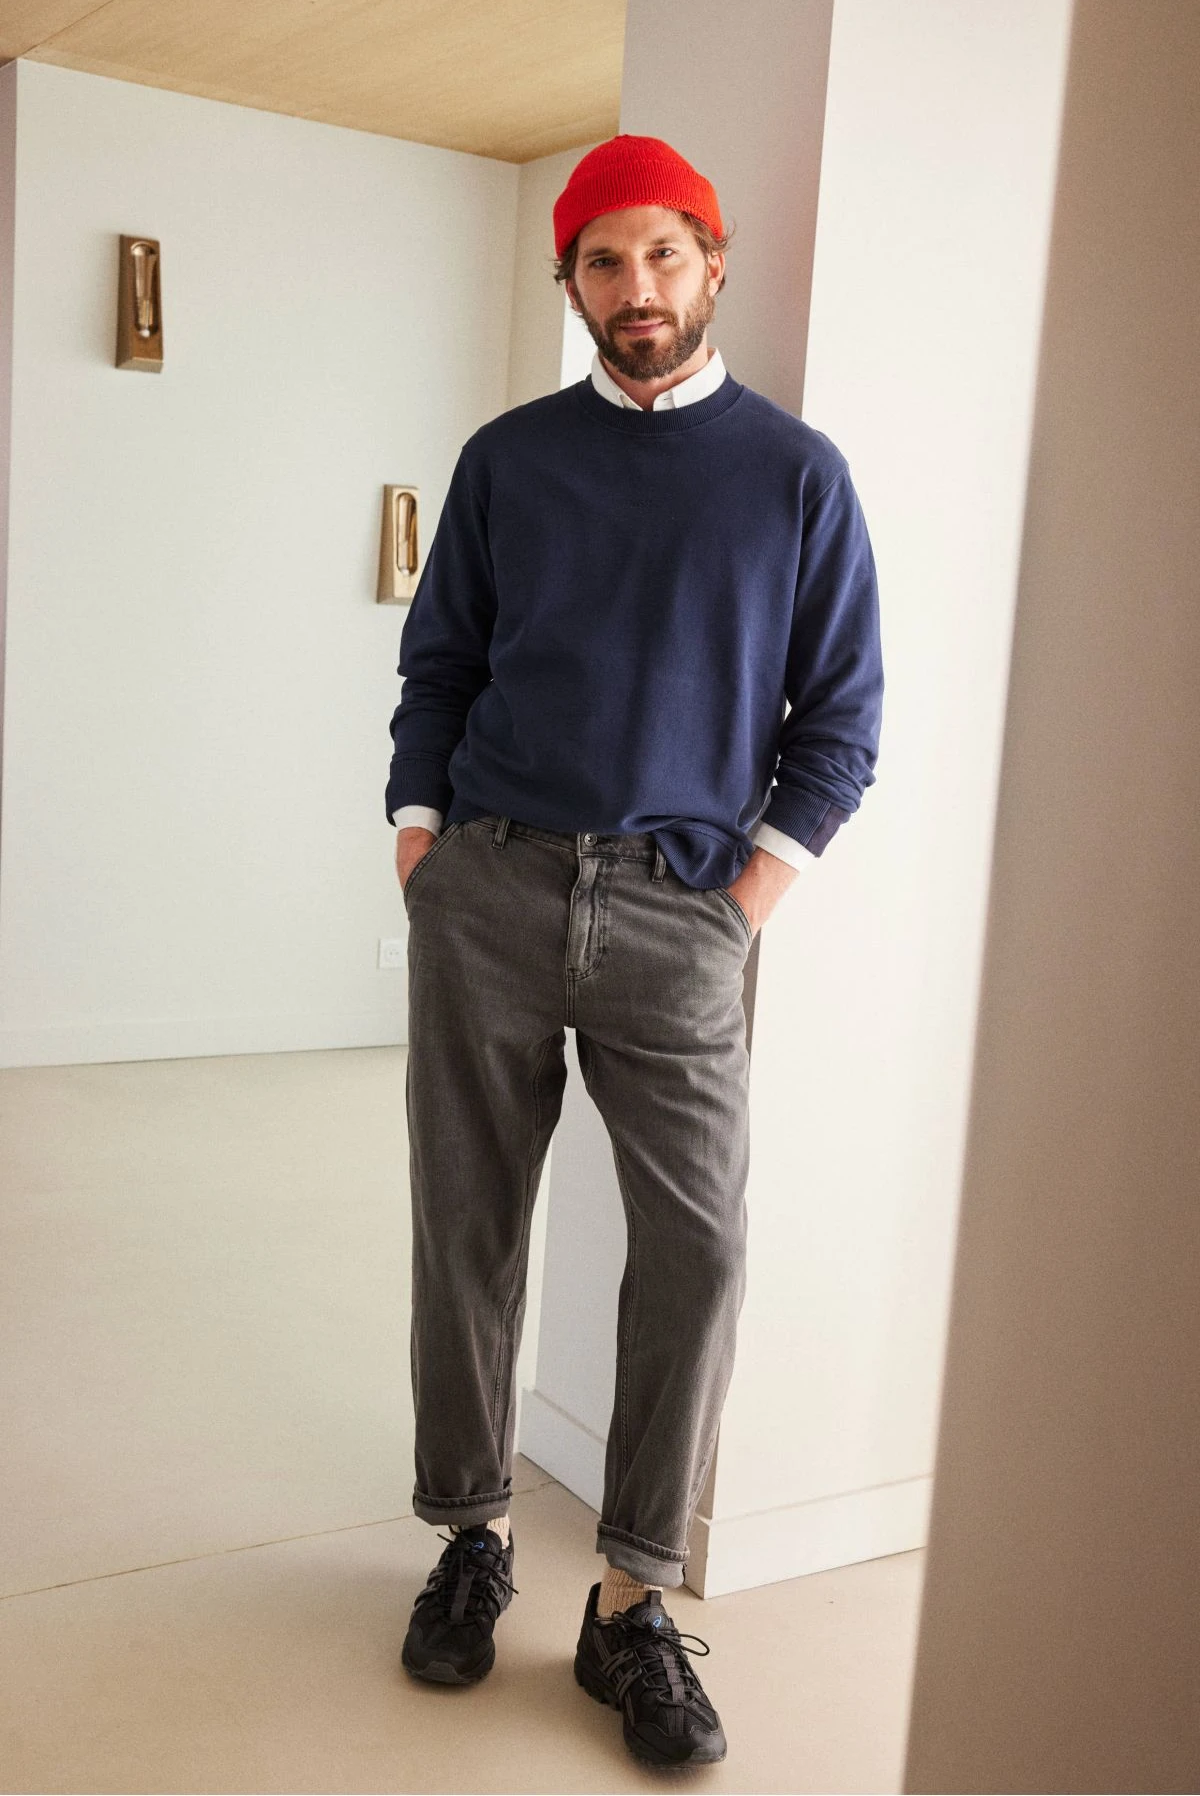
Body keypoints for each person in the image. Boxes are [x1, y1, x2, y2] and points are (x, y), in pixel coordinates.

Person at [384, 133, 884, 1770]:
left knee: (700, 1250)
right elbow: (441, 662)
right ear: (573, 282)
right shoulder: (509, 460)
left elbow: (841, 722)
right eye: (604, 260)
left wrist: (742, 906)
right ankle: (472, 1538)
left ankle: (629, 1605)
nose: (637, 287)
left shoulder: (796, 476)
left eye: (664, 252)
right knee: (468, 1228)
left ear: (713, 262)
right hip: (492, 886)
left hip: (683, 911)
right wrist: (421, 837)